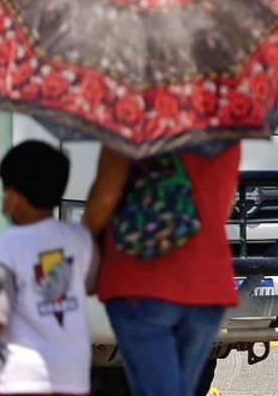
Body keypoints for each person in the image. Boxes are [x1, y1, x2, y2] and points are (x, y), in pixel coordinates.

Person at [82, 143, 242, 396]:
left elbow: (104, 199)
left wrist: (85, 239)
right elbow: (224, 205)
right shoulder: (222, 129)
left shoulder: (131, 122)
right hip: (207, 286)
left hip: (139, 284)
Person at [0, 141, 95, 396]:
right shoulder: (79, 238)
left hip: (20, 377)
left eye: (5, 192)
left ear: (15, 197)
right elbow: (90, 284)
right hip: (72, 374)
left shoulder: (6, 246)